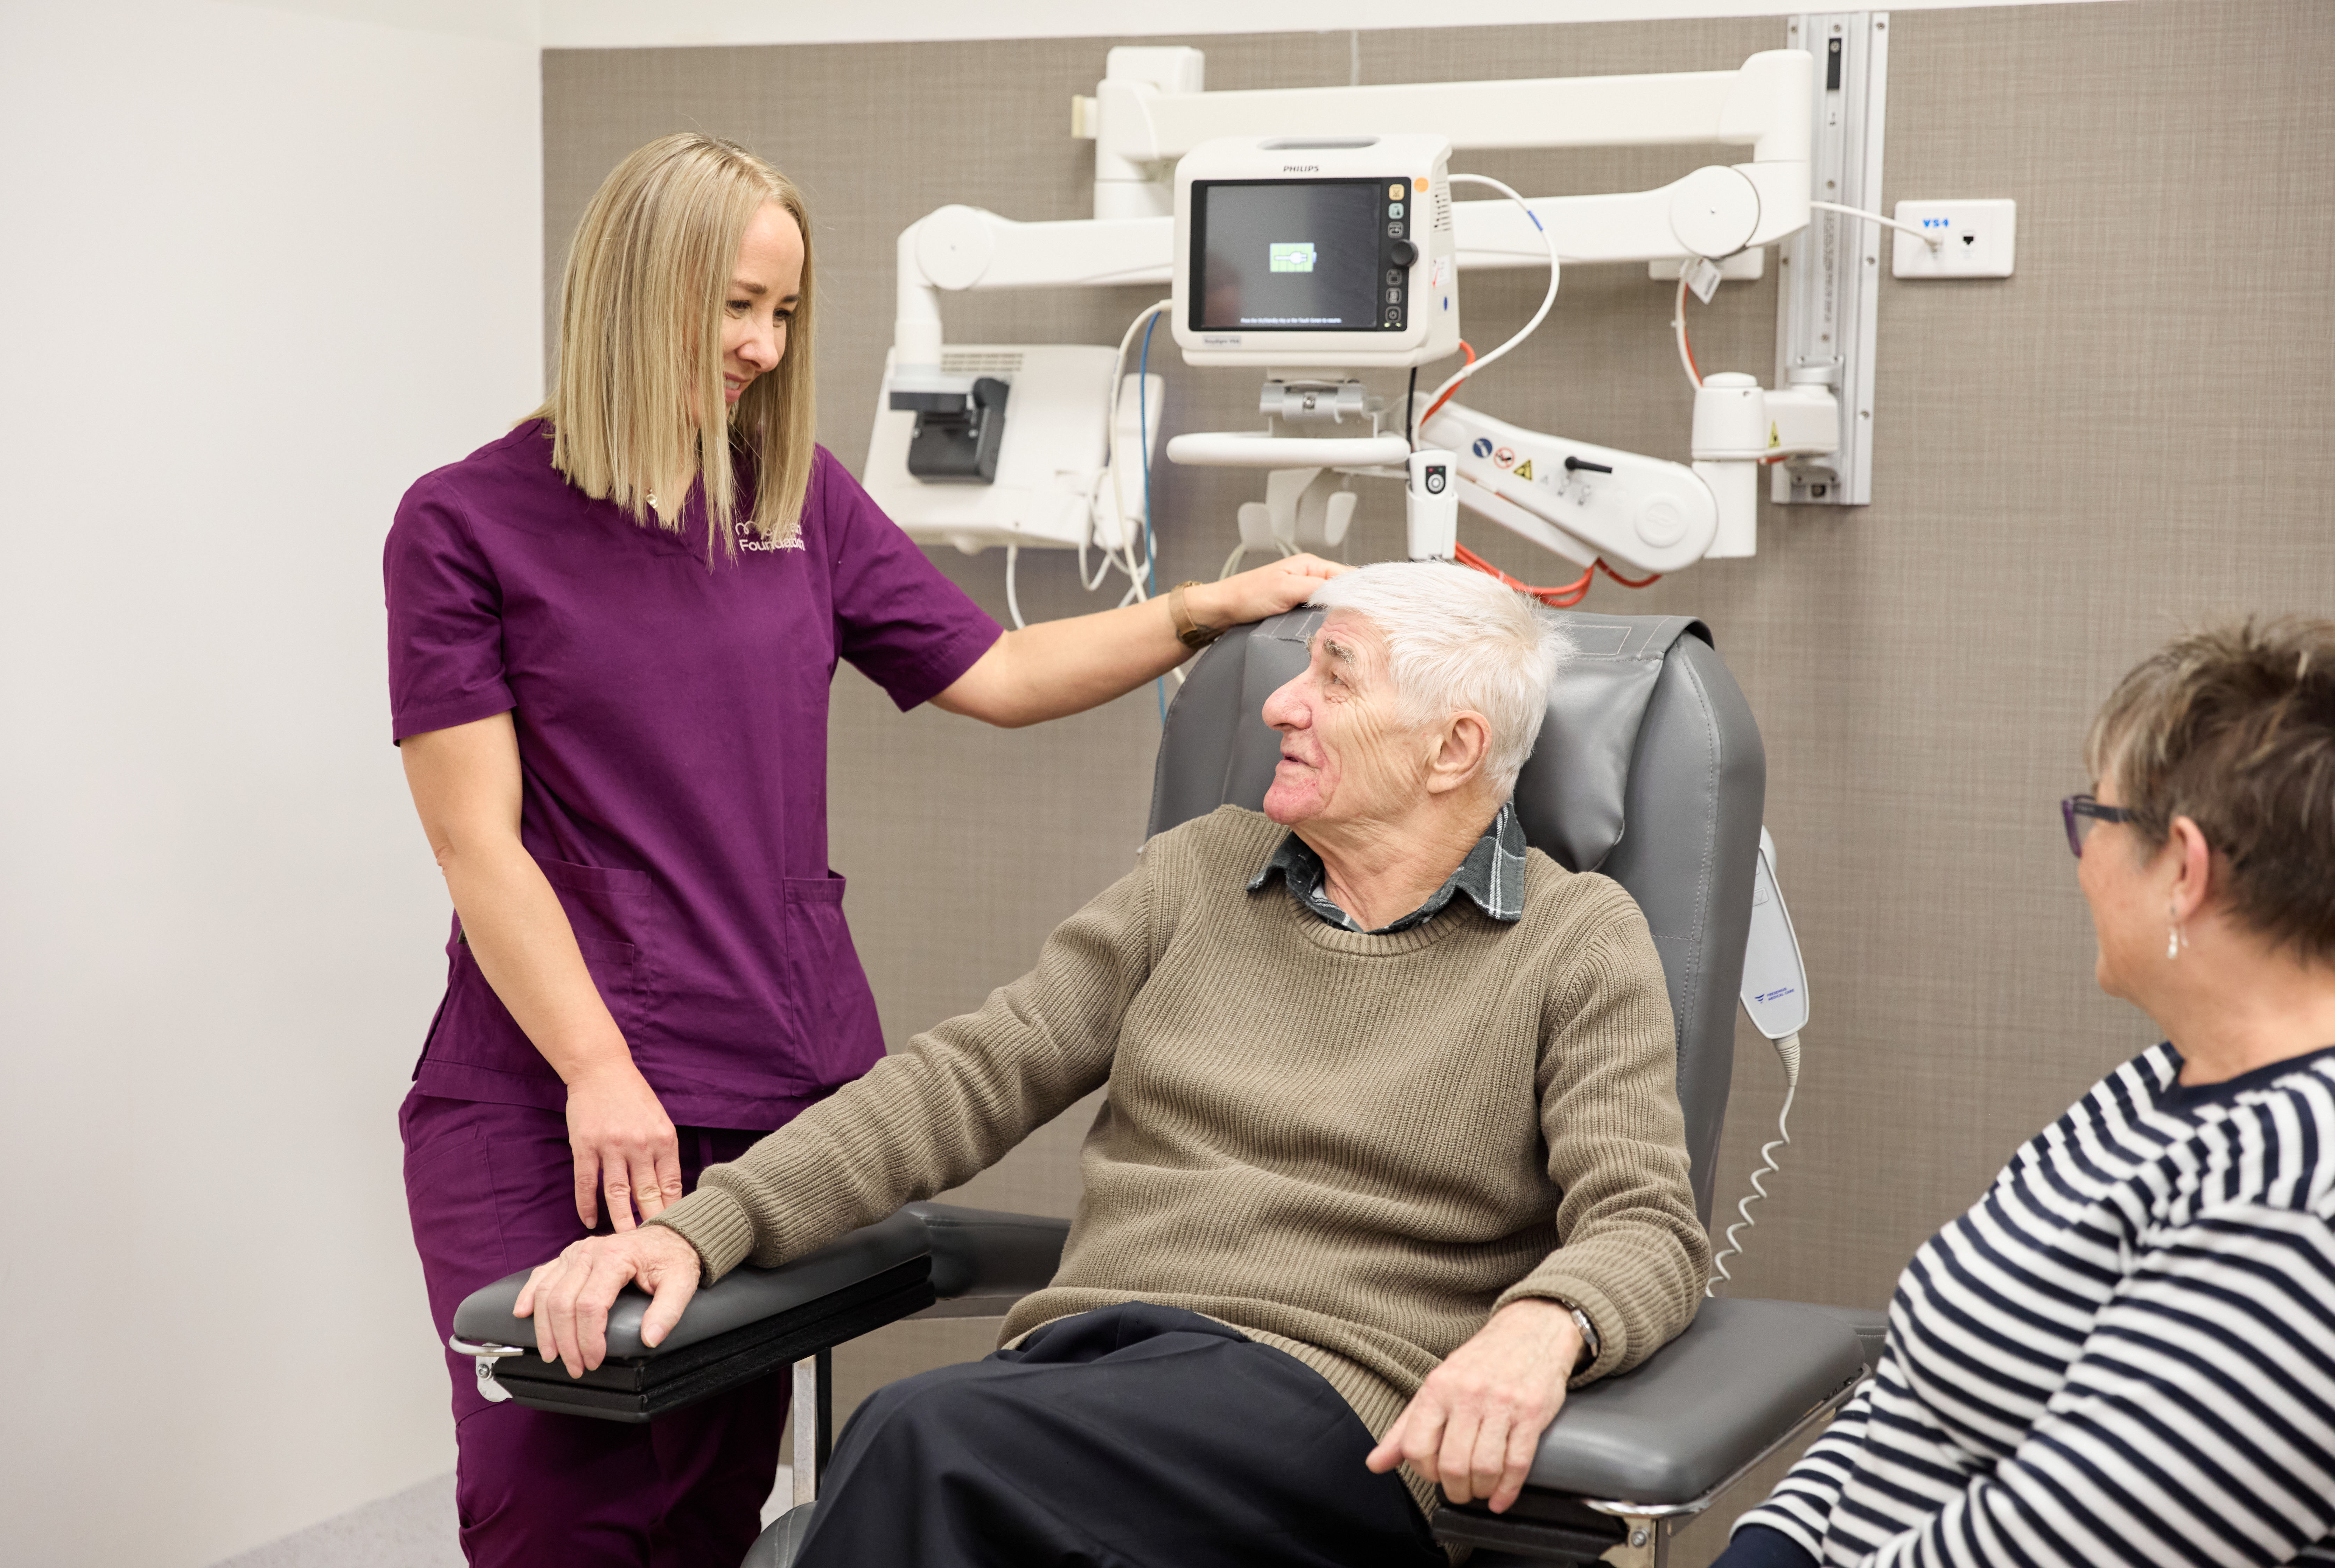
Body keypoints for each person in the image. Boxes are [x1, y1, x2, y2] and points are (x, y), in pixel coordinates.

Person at [387, 131, 1342, 1568]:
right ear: (638, 290)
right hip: (551, 1091)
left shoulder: (794, 500)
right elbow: (480, 847)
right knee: (555, 1488)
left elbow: (1000, 675)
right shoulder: (465, 524)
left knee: (708, 1496)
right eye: (734, 307)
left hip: (772, 1082)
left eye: (784, 311)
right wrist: (598, 1075)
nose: (765, 347)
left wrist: (1208, 606)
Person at [519, 560, 1713, 1567]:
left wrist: (1544, 1325)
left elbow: (1648, 1225)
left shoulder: (1572, 938)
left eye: (1331, 677)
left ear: (1454, 747)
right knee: (952, 1456)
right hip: (1091, 1365)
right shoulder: (1200, 875)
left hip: (1331, 1408)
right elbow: (969, 1075)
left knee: (920, 1441)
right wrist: (698, 1227)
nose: (1278, 706)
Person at [1717, 617, 2335, 1568]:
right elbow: (1910, 1388)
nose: (2079, 857)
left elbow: (2055, 1547)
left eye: (2096, 816)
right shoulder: (2161, 1085)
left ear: (2184, 869)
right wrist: (1774, 1542)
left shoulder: (2295, 1200)